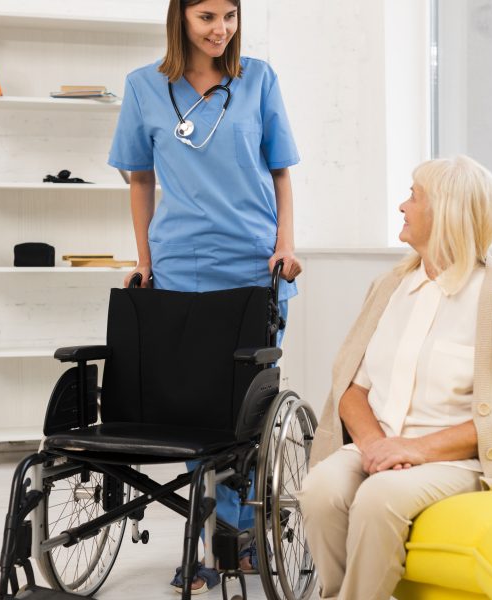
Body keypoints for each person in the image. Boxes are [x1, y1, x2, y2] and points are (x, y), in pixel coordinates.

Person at [298, 155, 492, 600]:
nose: (402, 207)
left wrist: (413, 449)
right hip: (380, 446)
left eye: (413, 196)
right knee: (320, 490)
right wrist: (374, 446)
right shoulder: (391, 286)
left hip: (457, 460)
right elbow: (351, 387)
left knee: (376, 497)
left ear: (444, 212)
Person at [108, 0, 302, 593]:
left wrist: (285, 246)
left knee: (242, 418)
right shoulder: (144, 87)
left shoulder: (258, 79)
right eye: (206, 17)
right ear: (180, 19)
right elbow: (140, 179)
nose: (221, 29)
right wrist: (144, 261)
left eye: (230, 16)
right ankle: (198, 547)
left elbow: (281, 173)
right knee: (192, 410)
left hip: (251, 268)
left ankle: (237, 543)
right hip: (181, 267)